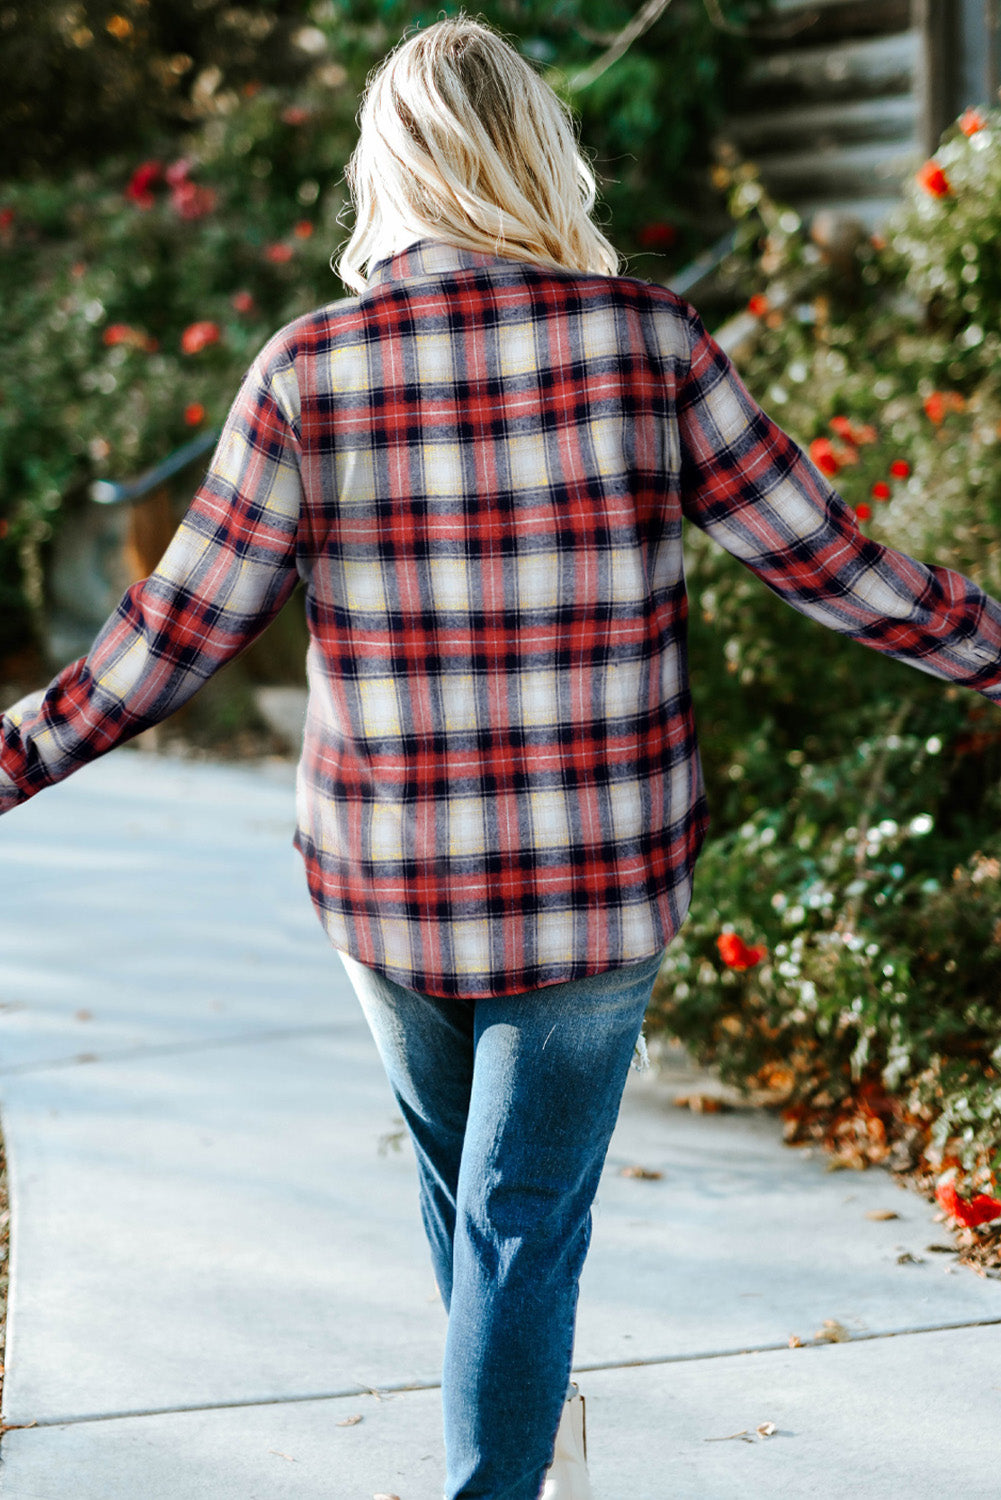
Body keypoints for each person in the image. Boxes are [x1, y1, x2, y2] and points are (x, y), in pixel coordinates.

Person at [2, 14, 1001, 1499]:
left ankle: (511, 1448)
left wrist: (12, 758)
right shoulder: (647, 346)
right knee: (519, 1221)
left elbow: (174, 635)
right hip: (592, 879)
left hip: (391, 884)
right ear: (538, 153)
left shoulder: (308, 371)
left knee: (477, 1207)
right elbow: (826, 563)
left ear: (384, 168)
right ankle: (508, 1462)